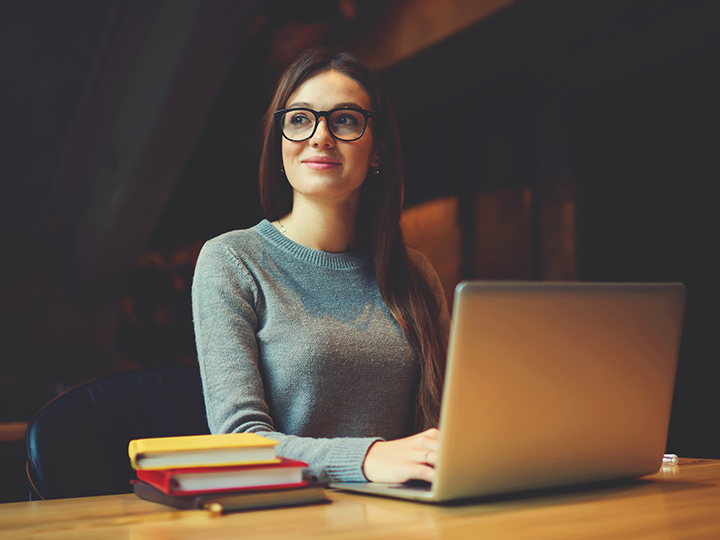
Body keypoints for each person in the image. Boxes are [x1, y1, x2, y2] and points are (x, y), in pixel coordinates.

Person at [191, 47, 450, 484]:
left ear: (378, 152)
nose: (320, 136)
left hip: (405, 514)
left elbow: (448, 420)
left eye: (345, 119)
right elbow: (238, 442)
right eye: (299, 119)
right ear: (279, 146)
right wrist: (368, 459)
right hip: (288, 518)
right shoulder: (233, 261)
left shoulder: (416, 273)